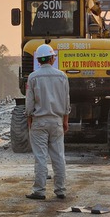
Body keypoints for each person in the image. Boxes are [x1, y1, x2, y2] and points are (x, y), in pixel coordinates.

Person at [25, 44, 70, 200]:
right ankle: (60, 190)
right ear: (52, 59)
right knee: (58, 156)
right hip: (57, 121)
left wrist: (29, 119)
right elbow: (66, 102)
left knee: (40, 157)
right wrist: (65, 120)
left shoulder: (33, 77)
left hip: (39, 122)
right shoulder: (62, 76)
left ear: (38, 60)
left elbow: (29, 104)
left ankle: (39, 191)